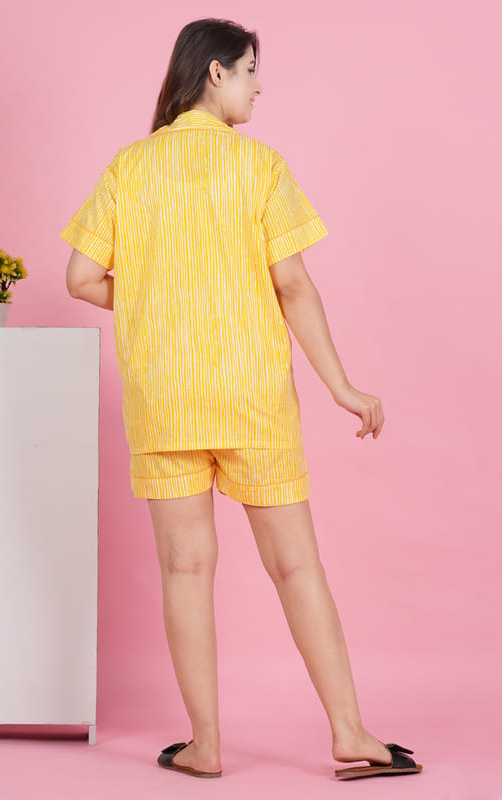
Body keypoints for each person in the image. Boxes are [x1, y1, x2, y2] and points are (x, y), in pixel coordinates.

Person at [60, 17, 422, 782]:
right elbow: (293, 286)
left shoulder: (130, 166)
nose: (259, 86)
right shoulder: (259, 167)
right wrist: (340, 385)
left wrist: (155, 301)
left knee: (185, 570)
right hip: (251, 395)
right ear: (215, 72)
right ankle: (350, 733)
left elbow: (82, 279)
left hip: (163, 397)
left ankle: (205, 745)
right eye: (250, 70)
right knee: (296, 567)